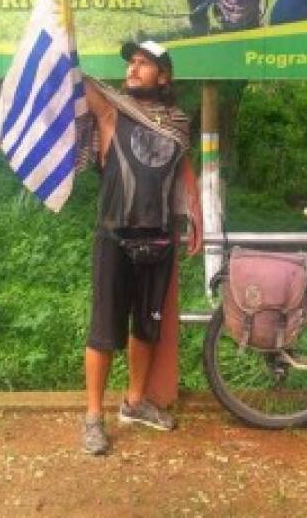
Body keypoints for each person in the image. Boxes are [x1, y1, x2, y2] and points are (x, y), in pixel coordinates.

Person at [80, 40, 203, 456]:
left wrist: (196, 213)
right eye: (131, 62)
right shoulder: (112, 109)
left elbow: (184, 164)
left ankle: (134, 402)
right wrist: (64, 41)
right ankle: (93, 418)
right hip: (116, 235)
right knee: (104, 329)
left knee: (147, 326)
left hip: (160, 237)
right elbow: (80, 84)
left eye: (144, 63)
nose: (133, 69)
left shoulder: (178, 122)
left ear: (163, 76)